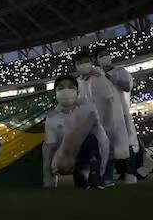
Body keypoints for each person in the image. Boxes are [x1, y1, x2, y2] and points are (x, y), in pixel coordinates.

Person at [73, 50, 129, 186]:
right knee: (91, 150)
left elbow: (109, 99)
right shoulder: (77, 82)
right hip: (86, 123)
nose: (83, 65)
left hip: (104, 120)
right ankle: (89, 176)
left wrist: (108, 121)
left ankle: (106, 176)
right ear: (75, 66)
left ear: (91, 62)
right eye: (79, 63)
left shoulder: (99, 77)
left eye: (85, 61)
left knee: (107, 150)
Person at [43, 75, 109, 189]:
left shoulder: (88, 108)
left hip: (87, 151)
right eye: (61, 88)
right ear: (55, 93)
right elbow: (50, 146)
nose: (66, 91)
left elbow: (102, 139)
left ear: (77, 92)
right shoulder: (51, 117)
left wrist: (101, 170)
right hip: (65, 155)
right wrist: (48, 174)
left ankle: (92, 174)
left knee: (91, 139)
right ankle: (79, 172)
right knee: (60, 160)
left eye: (70, 87)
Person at [94, 46, 139, 184]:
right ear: (96, 60)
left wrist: (110, 77)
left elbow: (127, 87)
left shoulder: (120, 70)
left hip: (122, 113)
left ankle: (130, 173)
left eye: (106, 53)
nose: (105, 56)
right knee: (107, 145)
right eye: (101, 55)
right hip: (105, 115)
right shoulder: (96, 75)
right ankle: (109, 175)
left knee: (129, 142)